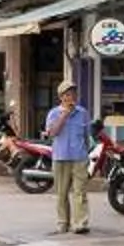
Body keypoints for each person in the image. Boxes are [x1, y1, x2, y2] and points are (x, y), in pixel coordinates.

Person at [43, 81, 92, 234]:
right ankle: (63, 222)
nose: (71, 97)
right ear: (61, 97)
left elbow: (87, 136)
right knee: (61, 193)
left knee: (80, 192)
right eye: (67, 94)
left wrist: (87, 153)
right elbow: (52, 133)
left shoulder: (83, 113)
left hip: (79, 157)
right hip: (60, 157)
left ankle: (80, 223)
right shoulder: (53, 113)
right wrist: (64, 115)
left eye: (73, 93)